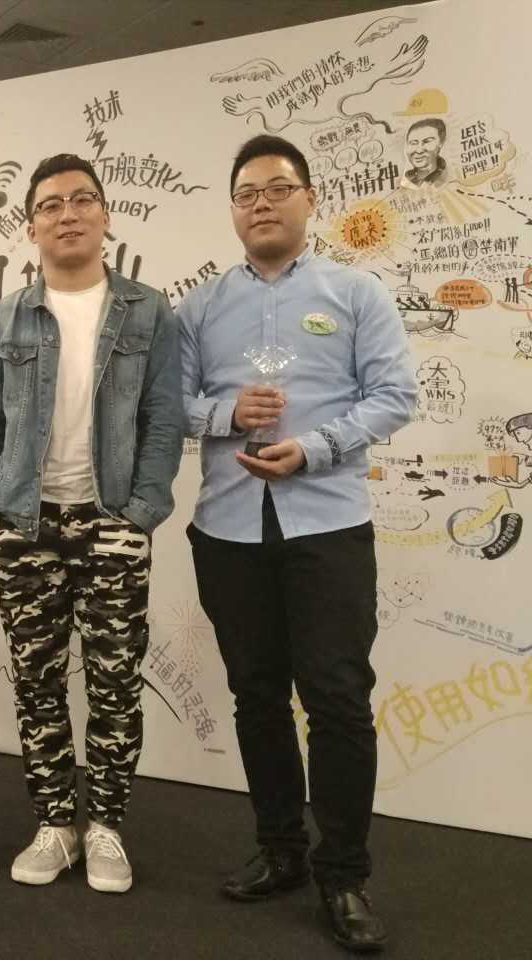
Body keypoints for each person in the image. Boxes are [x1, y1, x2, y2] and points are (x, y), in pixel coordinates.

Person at [178, 134, 416, 953]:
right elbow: (167, 402)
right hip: (228, 529)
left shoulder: (356, 292)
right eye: (247, 193)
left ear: (310, 200)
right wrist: (224, 414)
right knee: (255, 696)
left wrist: (315, 447)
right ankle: (279, 849)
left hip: (328, 528)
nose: (262, 204)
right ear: (232, 210)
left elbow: (395, 394)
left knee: (338, 701)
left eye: (278, 189)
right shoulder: (200, 308)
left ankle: (343, 874)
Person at [0, 153, 183, 893]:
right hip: (26, 526)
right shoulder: (5, 316)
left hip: (112, 523)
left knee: (115, 683)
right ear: (31, 225)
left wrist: (141, 515)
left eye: (82, 199)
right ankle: (57, 823)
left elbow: (164, 418)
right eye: (51, 204)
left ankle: (106, 828)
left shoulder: (148, 311)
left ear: (105, 214)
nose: (68, 213)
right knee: (36, 683)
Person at [403, 118, 447, 186]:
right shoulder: (404, 182)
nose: (419, 150)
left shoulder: (452, 180)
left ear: (441, 142)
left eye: (427, 141)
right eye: (413, 143)